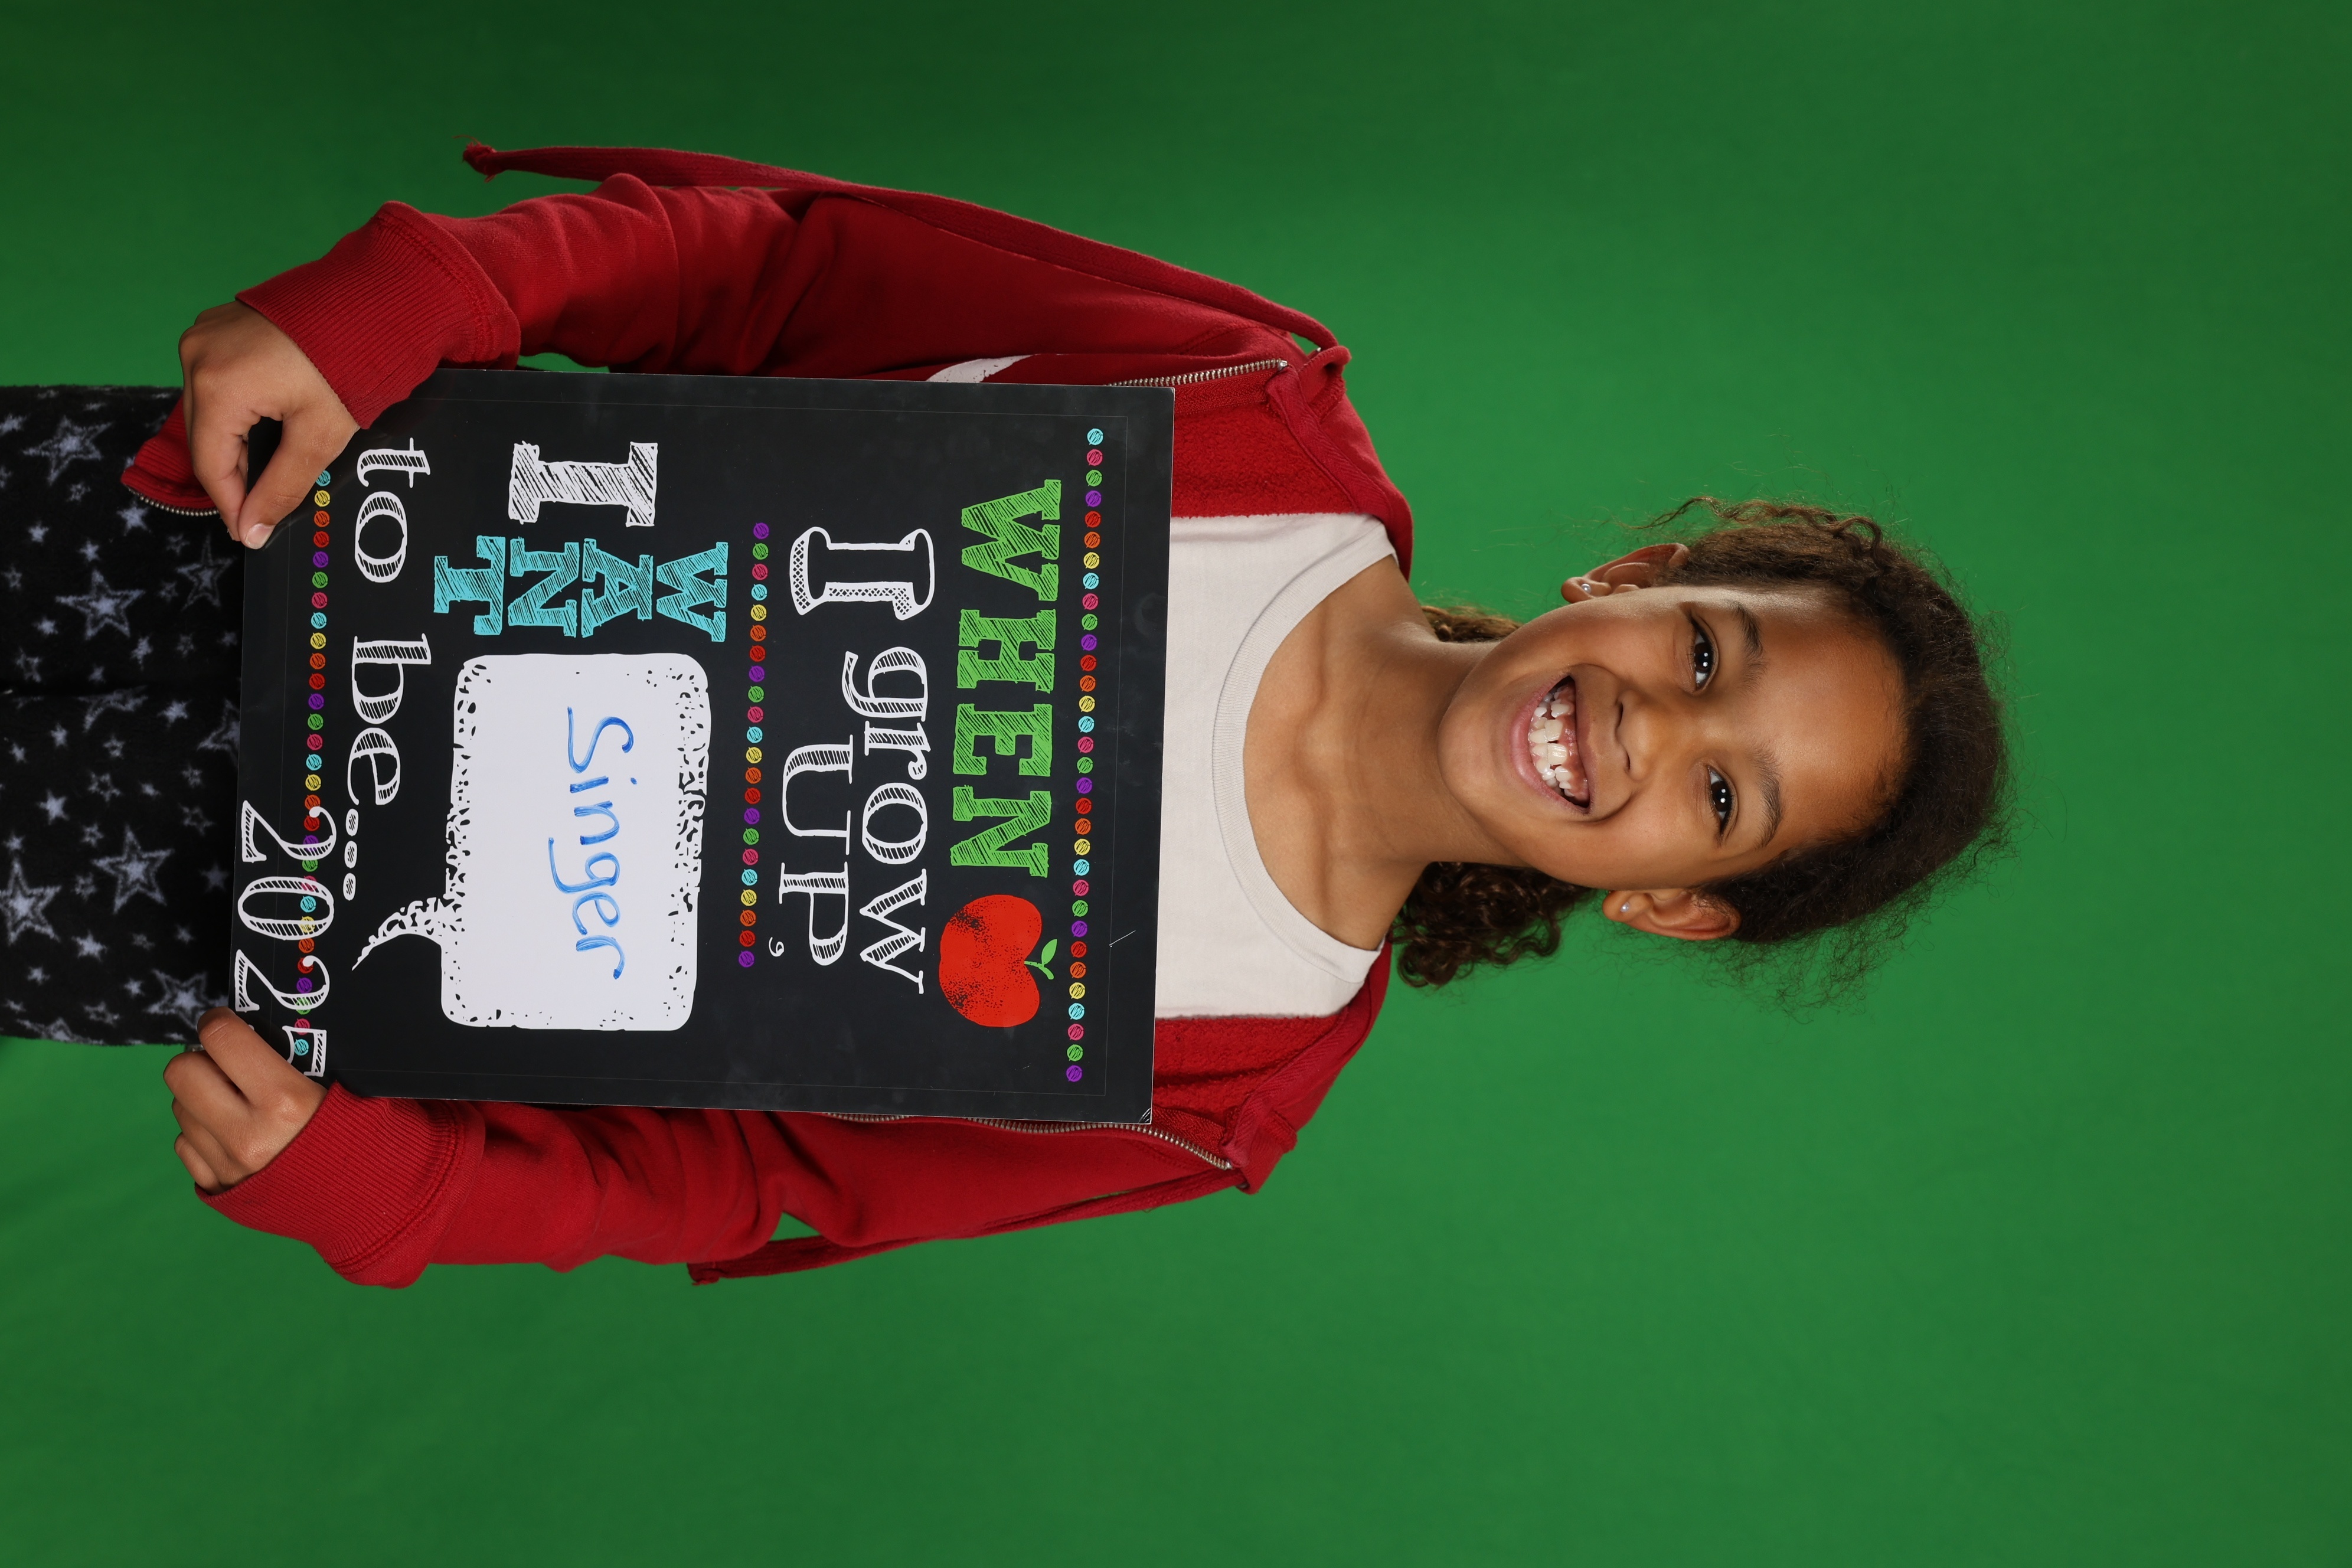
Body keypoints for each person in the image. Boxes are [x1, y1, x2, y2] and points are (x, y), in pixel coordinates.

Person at [84, 143, 2002, 1285]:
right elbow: (777, 270)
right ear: (1637, 576)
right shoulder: (1250, 413)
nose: (1658, 734)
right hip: (269, 509)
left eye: (1727, 802)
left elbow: (756, 1176)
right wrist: (429, 290)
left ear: (1673, 902)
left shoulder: (1219, 1085)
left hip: (214, 902)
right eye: (1707, 654)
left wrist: (415, 1193)